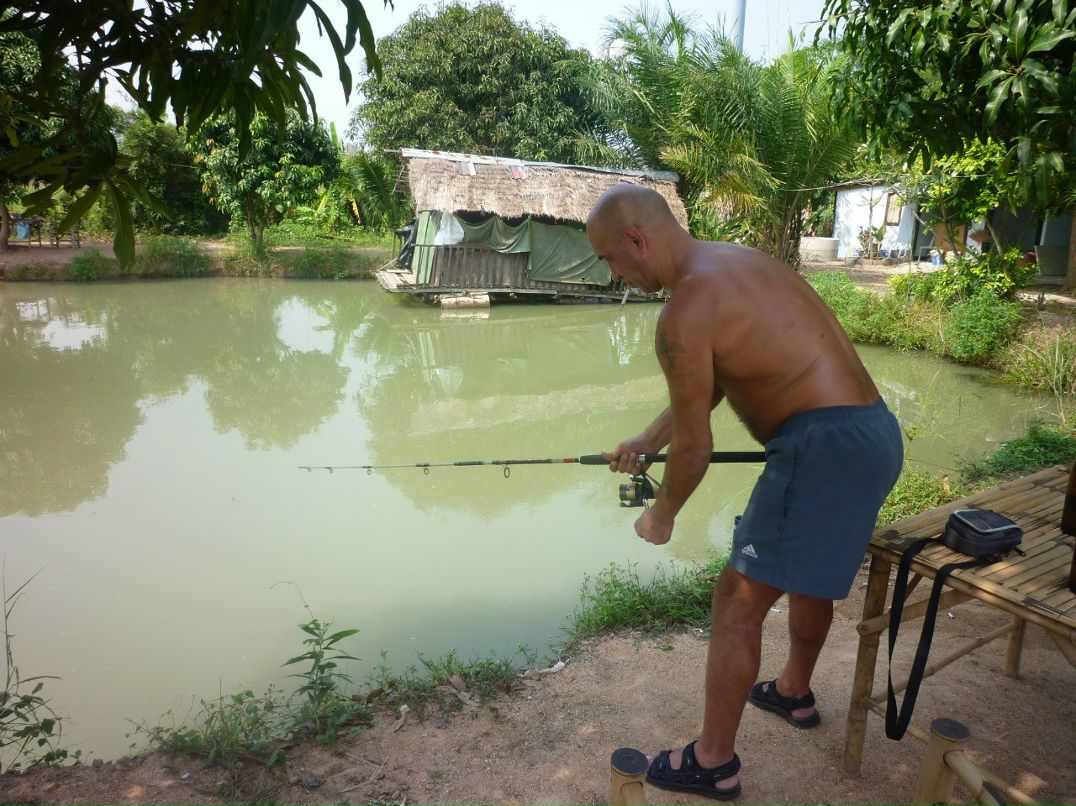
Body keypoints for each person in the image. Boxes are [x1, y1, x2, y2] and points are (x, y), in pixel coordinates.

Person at [587, 184, 903, 801]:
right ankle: (793, 692)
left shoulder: (683, 311)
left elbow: (698, 448)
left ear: (636, 239)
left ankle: (713, 762)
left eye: (609, 259)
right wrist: (650, 439)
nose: (614, 274)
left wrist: (663, 512)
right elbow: (717, 383)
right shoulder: (735, 262)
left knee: (737, 599)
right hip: (872, 434)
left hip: (819, 448)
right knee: (807, 572)